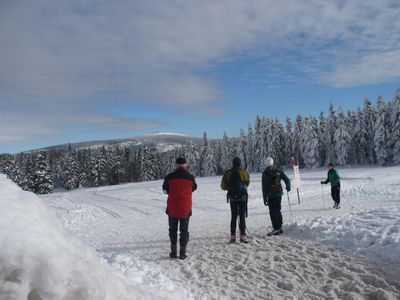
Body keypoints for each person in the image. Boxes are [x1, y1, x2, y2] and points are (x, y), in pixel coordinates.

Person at [162, 157, 197, 259]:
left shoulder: (169, 177)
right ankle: (182, 253)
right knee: (184, 231)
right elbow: (194, 187)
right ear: (185, 165)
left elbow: (165, 190)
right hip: (185, 208)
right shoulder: (190, 177)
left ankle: (173, 252)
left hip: (172, 207)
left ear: (176, 165)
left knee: (172, 230)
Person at [220, 157, 250, 243]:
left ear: (232, 164)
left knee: (233, 217)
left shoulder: (227, 173)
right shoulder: (244, 172)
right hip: (243, 198)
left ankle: (233, 238)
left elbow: (223, 186)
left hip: (233, 198)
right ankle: (242, 237)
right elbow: (247, 183)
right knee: (242, 217)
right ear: (240, 164)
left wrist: (229, 188)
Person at [262, 157, 290, 236]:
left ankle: (276, 228)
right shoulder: (278, 171)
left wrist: (264, 197)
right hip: (278, 193)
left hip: (270, 194)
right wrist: (288, 187)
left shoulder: (265, 173)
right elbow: (287, 180)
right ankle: (280, 226)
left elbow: (263, 187)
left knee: (272, 211)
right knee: (278, 209)